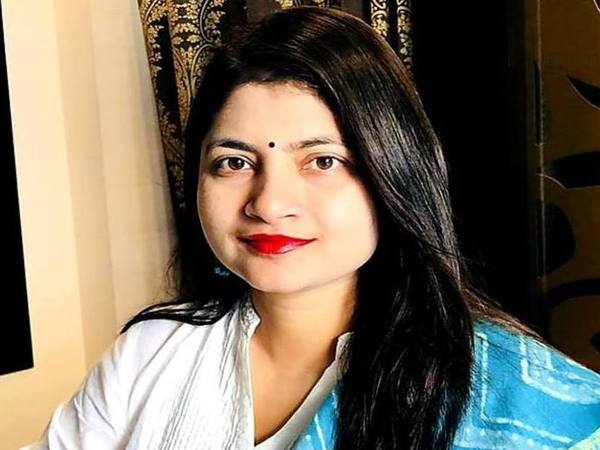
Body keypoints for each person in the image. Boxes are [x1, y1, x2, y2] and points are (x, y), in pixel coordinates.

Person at [26, 5, 600, 450]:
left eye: (322, 160)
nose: (270, 204)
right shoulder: (152, 353)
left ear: (394, 172)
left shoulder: (511, 392)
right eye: (234, 162)